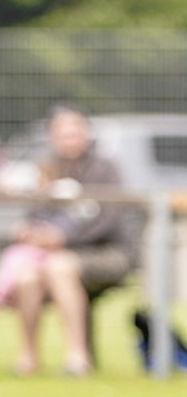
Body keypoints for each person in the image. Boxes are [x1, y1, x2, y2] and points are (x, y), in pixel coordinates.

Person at [1, 104, 137, 377]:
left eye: (75, 131)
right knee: (27, 275)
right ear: (52, 135)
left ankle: (77, 356)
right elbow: (34, 212)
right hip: (50, 254)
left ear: (86, 133)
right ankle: (28, 356)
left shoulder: (104, 168)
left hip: (105, 252)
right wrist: (33, 232)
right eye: (63, 132)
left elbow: (108, 218)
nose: (70, 138)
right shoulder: (46, 167)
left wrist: (62, 238)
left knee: (60, 267)